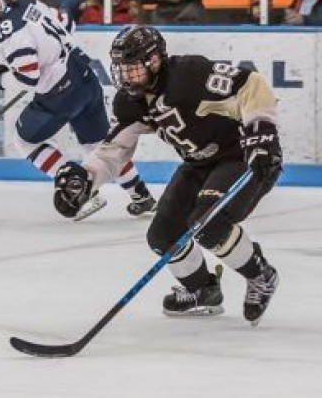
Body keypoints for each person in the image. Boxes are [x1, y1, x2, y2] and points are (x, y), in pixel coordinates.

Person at [53, 25, 280, 323]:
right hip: (198, 164)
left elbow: (251, 84)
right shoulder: (129, 102)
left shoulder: (189, 74)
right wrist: (86, 180)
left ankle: (261, 275)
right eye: (122, 69)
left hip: (243, 158)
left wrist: (261, 132)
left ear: (155, 60)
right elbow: (115, 149)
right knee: (163, 235)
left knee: (209, 225)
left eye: (133, 69)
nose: (126, 77)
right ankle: (202, 290)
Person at [0, 0, 157, 219]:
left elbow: (29, 78)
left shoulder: (7, 31)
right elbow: (67, 22)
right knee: (100, 146)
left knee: (25, 140)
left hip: (60, 92)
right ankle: (141, 196)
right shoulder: (30, 4)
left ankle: (78, 190)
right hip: (84, 73)